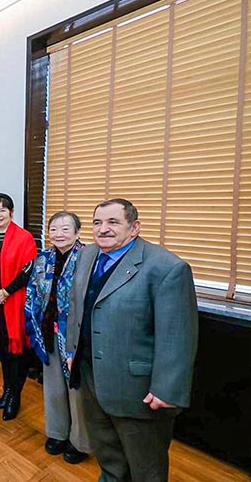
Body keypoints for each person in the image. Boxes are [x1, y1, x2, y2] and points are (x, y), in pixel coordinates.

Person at [66, 198, 198, 481]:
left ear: (134, 227)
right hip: (91, 378)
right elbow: (77, 305)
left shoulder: (166, 268)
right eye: (97, 223)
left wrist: (167, 389)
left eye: (113, 222)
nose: (103, 229)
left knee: (145, 468)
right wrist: (71, 350)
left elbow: (177, 335)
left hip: (138, 390)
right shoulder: (87, 255)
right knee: (109, 457)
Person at [24, 211, 90, 464]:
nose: (59, 234)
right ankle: (57, 433)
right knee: (53, 387)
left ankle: (79, 441)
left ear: (77, 232)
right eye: (54, 229)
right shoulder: (43, 259)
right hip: (48, 330)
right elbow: (32, 290)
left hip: (74, 334)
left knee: (77, 389)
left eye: (65, 229)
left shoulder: (87, 258)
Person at [0, 193, 36, 420]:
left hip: (14, 303)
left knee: (15, 353)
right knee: (3, 351)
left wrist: (6, 292)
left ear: (11, 213)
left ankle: (15, 397)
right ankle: (7, 392)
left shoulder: (24, 238)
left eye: (3, 210)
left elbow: (27, 270)